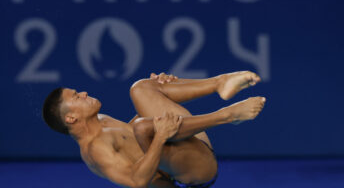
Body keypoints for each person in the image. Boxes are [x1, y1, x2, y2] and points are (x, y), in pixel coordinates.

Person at [42, 71, 265, 188]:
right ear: (71, 118)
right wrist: (159, 138)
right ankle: (227, 115)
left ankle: (220, 82)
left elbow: (134, 138)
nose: (82, 93)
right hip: (190, 177)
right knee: (142, 128)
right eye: (75, 97)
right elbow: (137, 181)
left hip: (187, 149)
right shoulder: (94, 151)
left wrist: (160, 90)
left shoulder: (101, 119)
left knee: (141, 89)